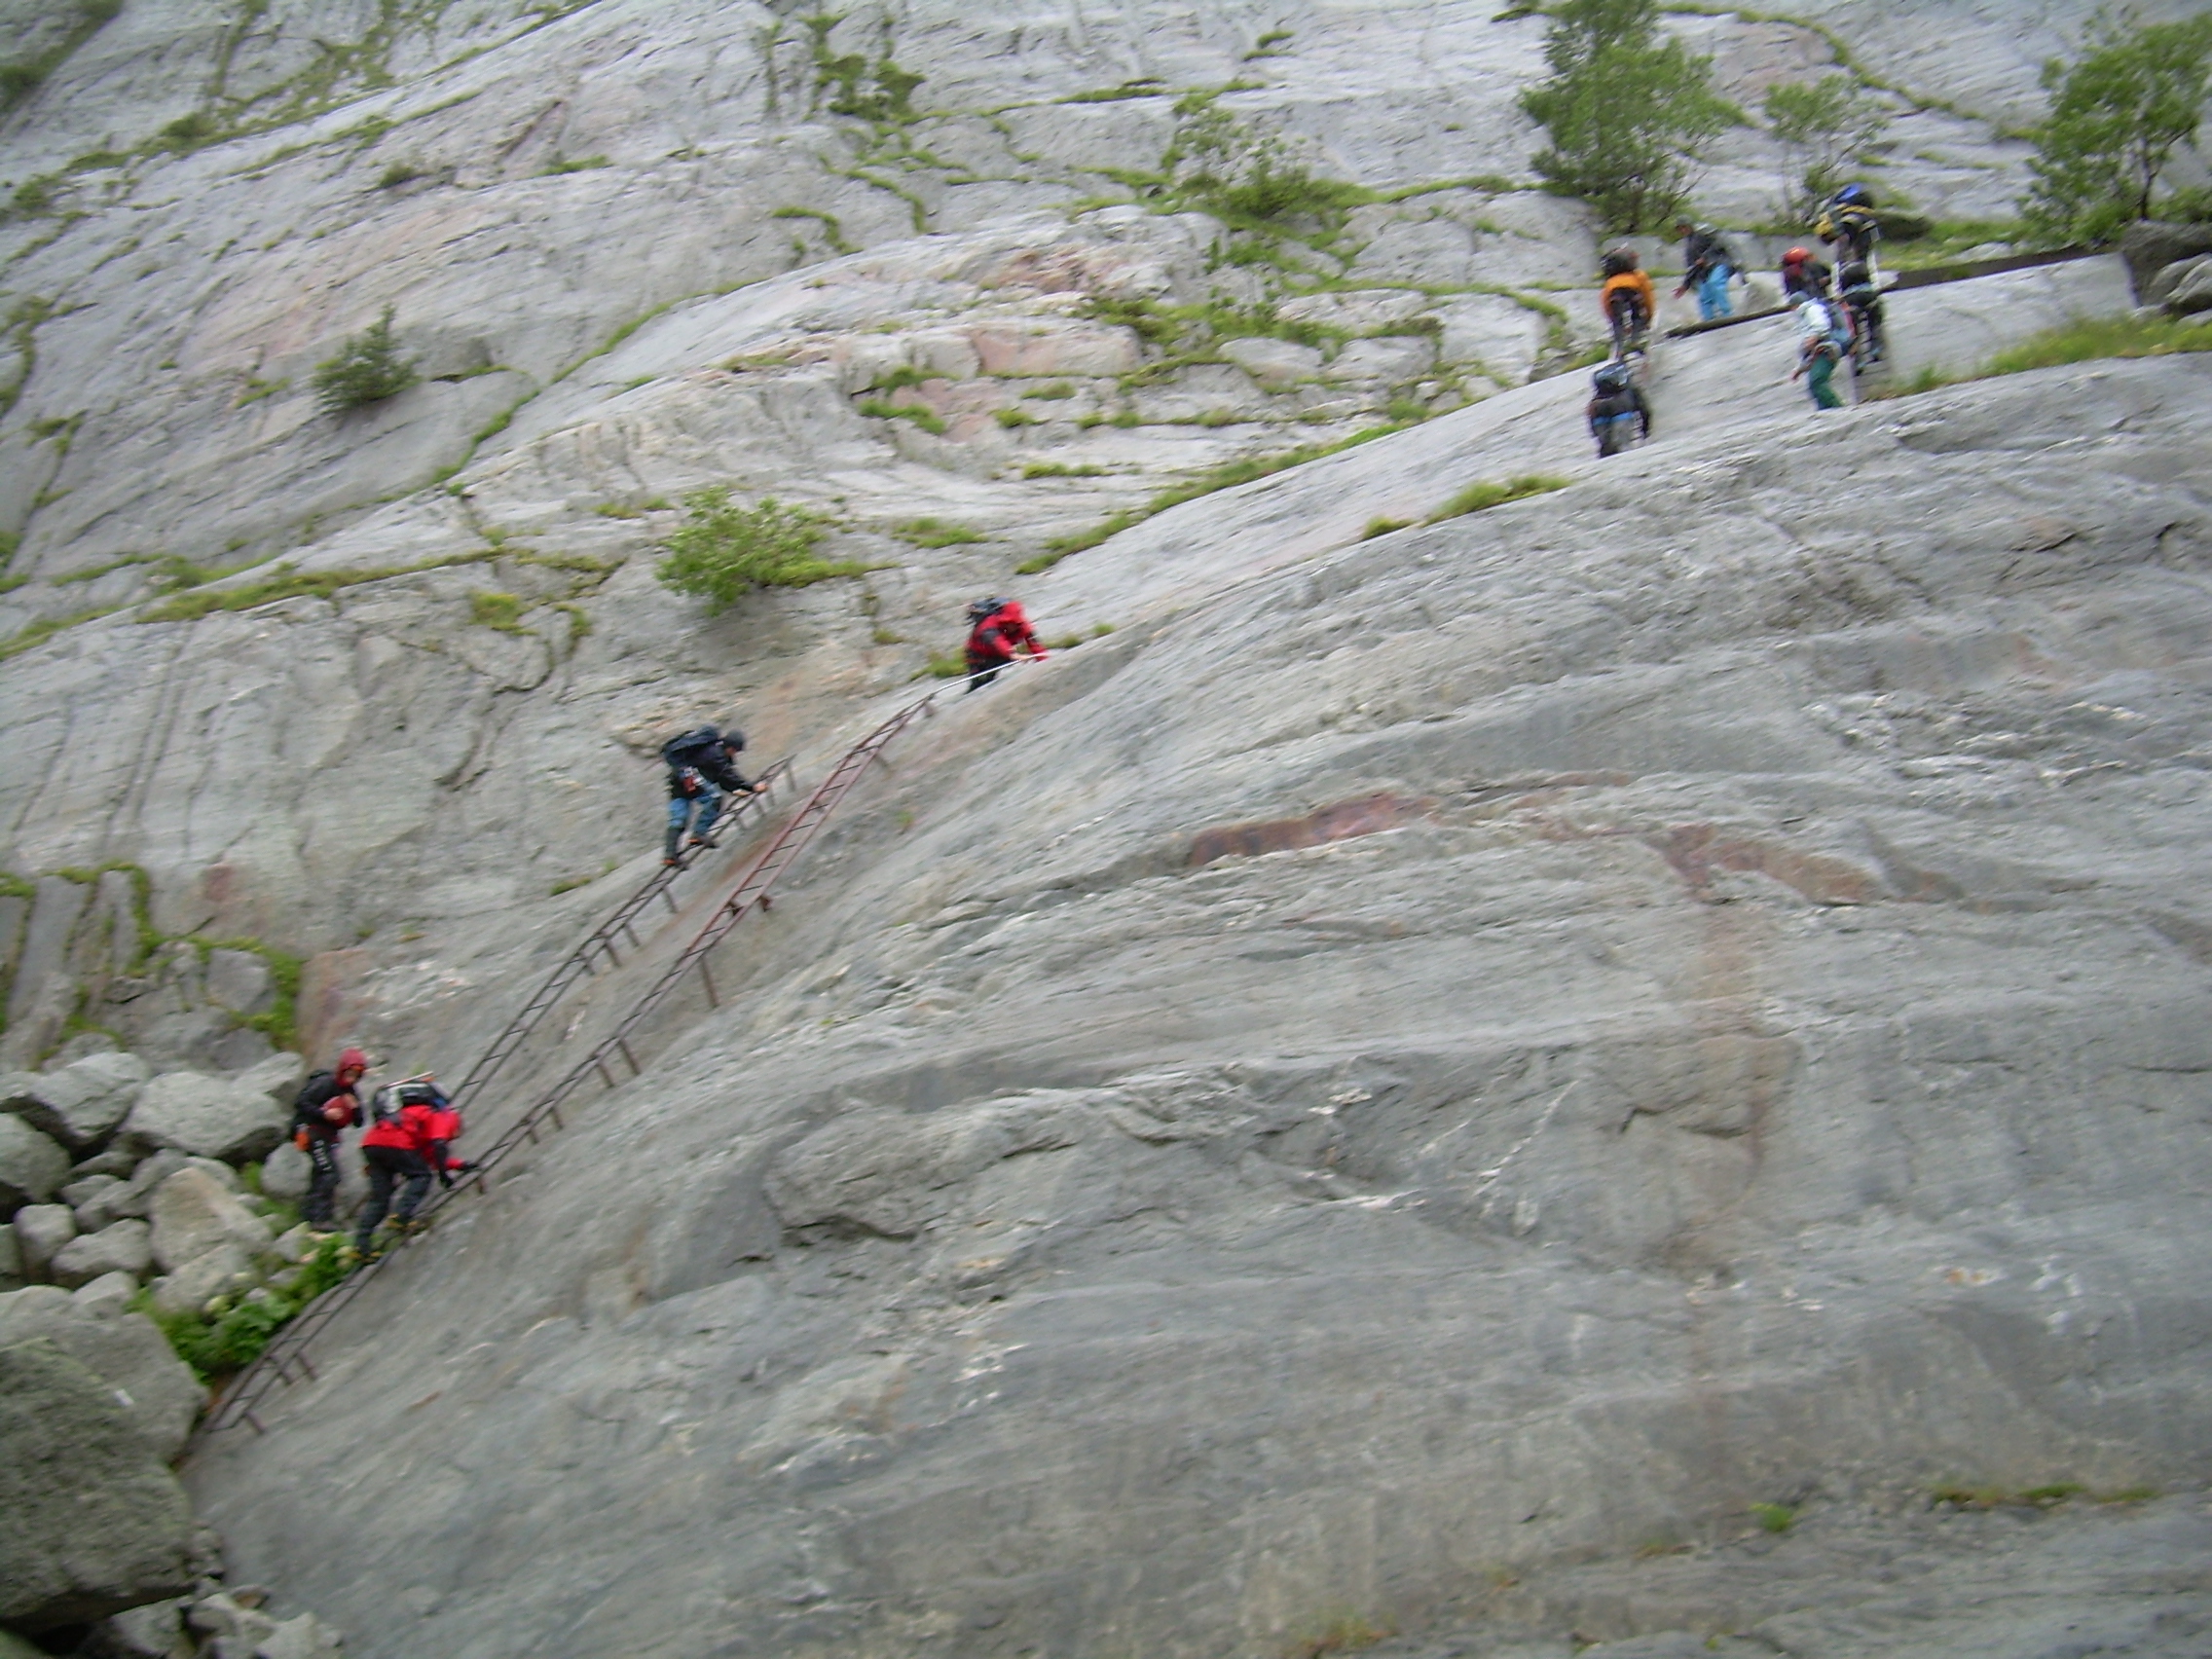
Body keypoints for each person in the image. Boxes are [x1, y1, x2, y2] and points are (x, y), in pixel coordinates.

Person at [351, 1076, 465, 1258]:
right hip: (395, 1141)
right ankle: (400, 1216)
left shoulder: (409, 1113)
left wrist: (461, 1165)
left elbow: (431, 1158)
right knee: (422, 1177)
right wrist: (444, 1176)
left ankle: (361, 1246)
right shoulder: (446, 1116)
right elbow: (439, 1146)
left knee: (380, 1197)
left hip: (372, 1143)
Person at [660, 724, 760, 866]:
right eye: (735, 750)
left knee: (678, 818)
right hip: (689, 780)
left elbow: (721, 777)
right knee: (715, 799)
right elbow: (726, 773)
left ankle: (670, 855)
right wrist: (752, 787)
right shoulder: (716, 753)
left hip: (678, 782)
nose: (735, 753)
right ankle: (698, 834)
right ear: (731, 747)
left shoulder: (710, 751)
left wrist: (734, 790)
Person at [290, 1048, 367, 1233]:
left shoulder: (351, 1092)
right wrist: (325, 1113)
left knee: (320, 1173)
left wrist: (355, 1108)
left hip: (328, 1137)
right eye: (350, 1073)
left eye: (357, 1075)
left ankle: (308, 1215)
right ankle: (321, 1218)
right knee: (330, 1172)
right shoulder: (326, 1084)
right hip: (312, 1132)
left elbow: (359, 1122)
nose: (352, 1078)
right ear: (343, 1069)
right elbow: (301, 1102)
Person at [964, 597, 1046, 691]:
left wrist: (1044, 661)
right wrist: (1014, 655)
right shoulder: (988, 625)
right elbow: (997, 641)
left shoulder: (1024, 626)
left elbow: (1035, 645)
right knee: (978, 683)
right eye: (1006, 622)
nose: (1009, 625)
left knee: (991, 680)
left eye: (1012, 622)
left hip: (999, 655)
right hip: (978, 656)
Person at [1790, 291, 1851, 410]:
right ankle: (1825, 411)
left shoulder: (1811, 309)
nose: (1791, 310)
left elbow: (1821, 326)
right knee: (1814, 385)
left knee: (1817, 381)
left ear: (1796, 305)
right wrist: (1800, 369)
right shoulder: (1805, 315)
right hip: (1820, 351)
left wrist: (1813, 337)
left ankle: (1838, 408)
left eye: (1792, 307)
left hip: (1826, 348)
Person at [1673, 221, 1737, 320]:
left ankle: (1727, 314)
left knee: (1715, 283)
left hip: (1719, 263)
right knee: (1704, 298)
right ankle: (1708, 319)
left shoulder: (1703, 234)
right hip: (1704, 272)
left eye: (1684, 227)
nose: (1683, 230)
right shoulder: (1689, 247)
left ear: (1690, 226)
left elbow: (1717, 244)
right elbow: (1692, 268)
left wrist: (1705, 257)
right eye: (1680, 229)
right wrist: (1685, 285)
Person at [1586, 359, 1651, 458]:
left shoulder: (1597, 397)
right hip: (1623, 413)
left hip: (1600, 414)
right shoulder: (1631, 391)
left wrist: (1594, 432)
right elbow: (1644, 411)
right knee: (1623, 447)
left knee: (1606, 447)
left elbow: (1592, 417)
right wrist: (1645, 429)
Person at [1598, 246, 1656, 355]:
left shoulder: (1610, 281)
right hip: (1633, 291)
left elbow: (1605, 301)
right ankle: (1635, 341)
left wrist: (1612, 318)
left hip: (1615, 294)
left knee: (1618, 322)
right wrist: (1649, 317)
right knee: (1637, 317)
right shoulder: (1638, 275)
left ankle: (1620, 349)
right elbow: (1648, 296)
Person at [1815, 183, 1880, 271]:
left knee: (1852, 260)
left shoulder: (1840, 219)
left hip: (1855, 233)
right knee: (1863, 260)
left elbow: (1831, 237)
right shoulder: (1866, 217)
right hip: (1863, 231)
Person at [1835, 257, 1885, 365]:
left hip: (1851, 299)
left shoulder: (1842, 272)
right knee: (1874, 324)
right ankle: (1875, 348)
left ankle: (1858, 360)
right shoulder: (1863, 267)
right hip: (1869, 295)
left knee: (1854, 331)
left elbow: (1840, 292)